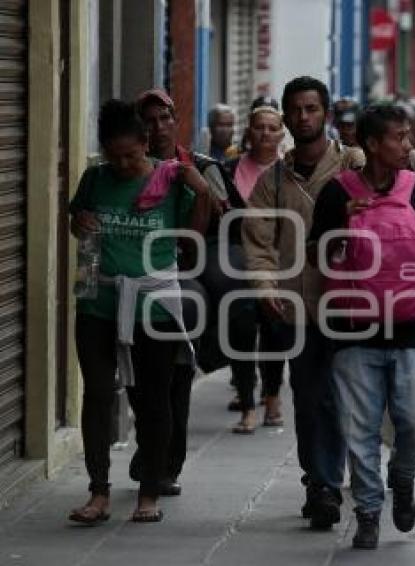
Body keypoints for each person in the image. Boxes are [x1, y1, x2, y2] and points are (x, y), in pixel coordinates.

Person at [68, 99, 211, 524]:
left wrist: (200, 189)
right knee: (96, 393)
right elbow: (77, 217)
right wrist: (81, 222)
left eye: (131, 155)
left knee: (153, 400)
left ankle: (149, 490)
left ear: (146, 144)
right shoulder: (95, 178)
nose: (124, 164)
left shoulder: (170, 180)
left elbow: (194, 236)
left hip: (155, 306)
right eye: (115, 156)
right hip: (99, 302)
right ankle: (98, 491)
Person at [308, 104, 415, 549]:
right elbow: (316, 259)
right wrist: (343, 222)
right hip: (352, 330)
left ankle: (402, 478)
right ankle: (367, 511)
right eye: (399, 137)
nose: (407, 145)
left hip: (411, 328)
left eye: (408, 136)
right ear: (371, 144)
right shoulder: (335, 193)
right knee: (357, 425)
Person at [242, 76, 363, 529]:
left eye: (312, 108)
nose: (303, 117)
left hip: (352, 306)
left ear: (325, 113)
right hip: (300, 310)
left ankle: (355, 477)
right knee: (311, 398)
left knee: (347, 398)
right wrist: (266, 287)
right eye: (296, 110)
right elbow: (257, 242)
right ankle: (321, 483)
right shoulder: (274, 179)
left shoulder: (354, 166)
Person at [134, 88, 235, 495]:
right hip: (132, 285)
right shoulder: (127, 169)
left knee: (175, 376)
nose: (157, 128)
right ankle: (150, 455)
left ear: (177, 121)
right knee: (138, 383)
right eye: (149, 120)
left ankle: (164, 466)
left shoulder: (201, 168)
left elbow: (209, 238)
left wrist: (202, 194)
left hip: (181, 283)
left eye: (165, 118)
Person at [223, 97, 288, 433]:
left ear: (282, 134)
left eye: (272, 128)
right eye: (259, 128)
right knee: (242, 330)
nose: (265, 134)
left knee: (275, 331)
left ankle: (273, 398)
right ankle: (248, 404)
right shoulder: (230, 170)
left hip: (279, 264)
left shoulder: (288, 172)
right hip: (238, 265)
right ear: (248, 132)